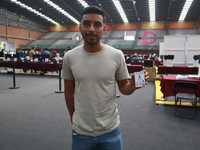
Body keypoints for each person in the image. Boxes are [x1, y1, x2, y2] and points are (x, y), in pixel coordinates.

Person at [62, 6, 149, 150]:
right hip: (81, 133)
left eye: (97, 24)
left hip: (111, 132)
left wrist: (132, 85)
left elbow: (124, 88)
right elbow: (68, 92)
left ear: (104, 28)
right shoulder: (69, 57)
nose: (91, 29)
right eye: (86, 24)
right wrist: (74, 119)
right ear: (80, 27)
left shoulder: (116, 55)